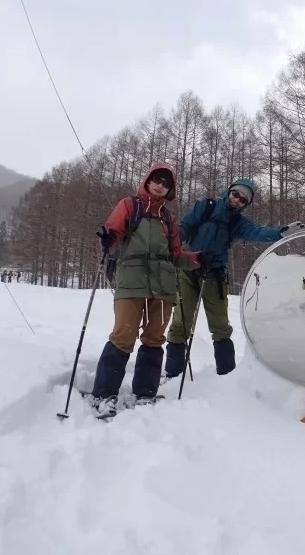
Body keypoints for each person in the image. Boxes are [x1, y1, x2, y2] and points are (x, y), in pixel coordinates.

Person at [89, 161, 201, 417]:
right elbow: (113, 233)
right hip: (132, 281)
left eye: (166, 183)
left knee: (154, 339)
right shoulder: (130, 205)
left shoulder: (168, 218)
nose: (160, 186)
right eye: (157, 180)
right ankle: (104, 394)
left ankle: (145, 393)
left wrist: (196, 259)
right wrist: (108, 239)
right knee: (123, 336)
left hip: (163, 287)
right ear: (148, 180)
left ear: (170, 189)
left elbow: (175, 254)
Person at [163, 179, 304, 379]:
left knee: (220, 327)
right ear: (229, 191)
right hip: (189, 269)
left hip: (215, 275)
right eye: (236, 194)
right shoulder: (205, 207)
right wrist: (172, 242)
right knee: (180, 323)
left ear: (246, 204)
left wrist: (279, 233)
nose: (237, 200)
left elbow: (257, 232)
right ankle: (172, 373)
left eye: (243, 200)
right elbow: (185, 227)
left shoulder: (238, 222)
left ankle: (227, 377)